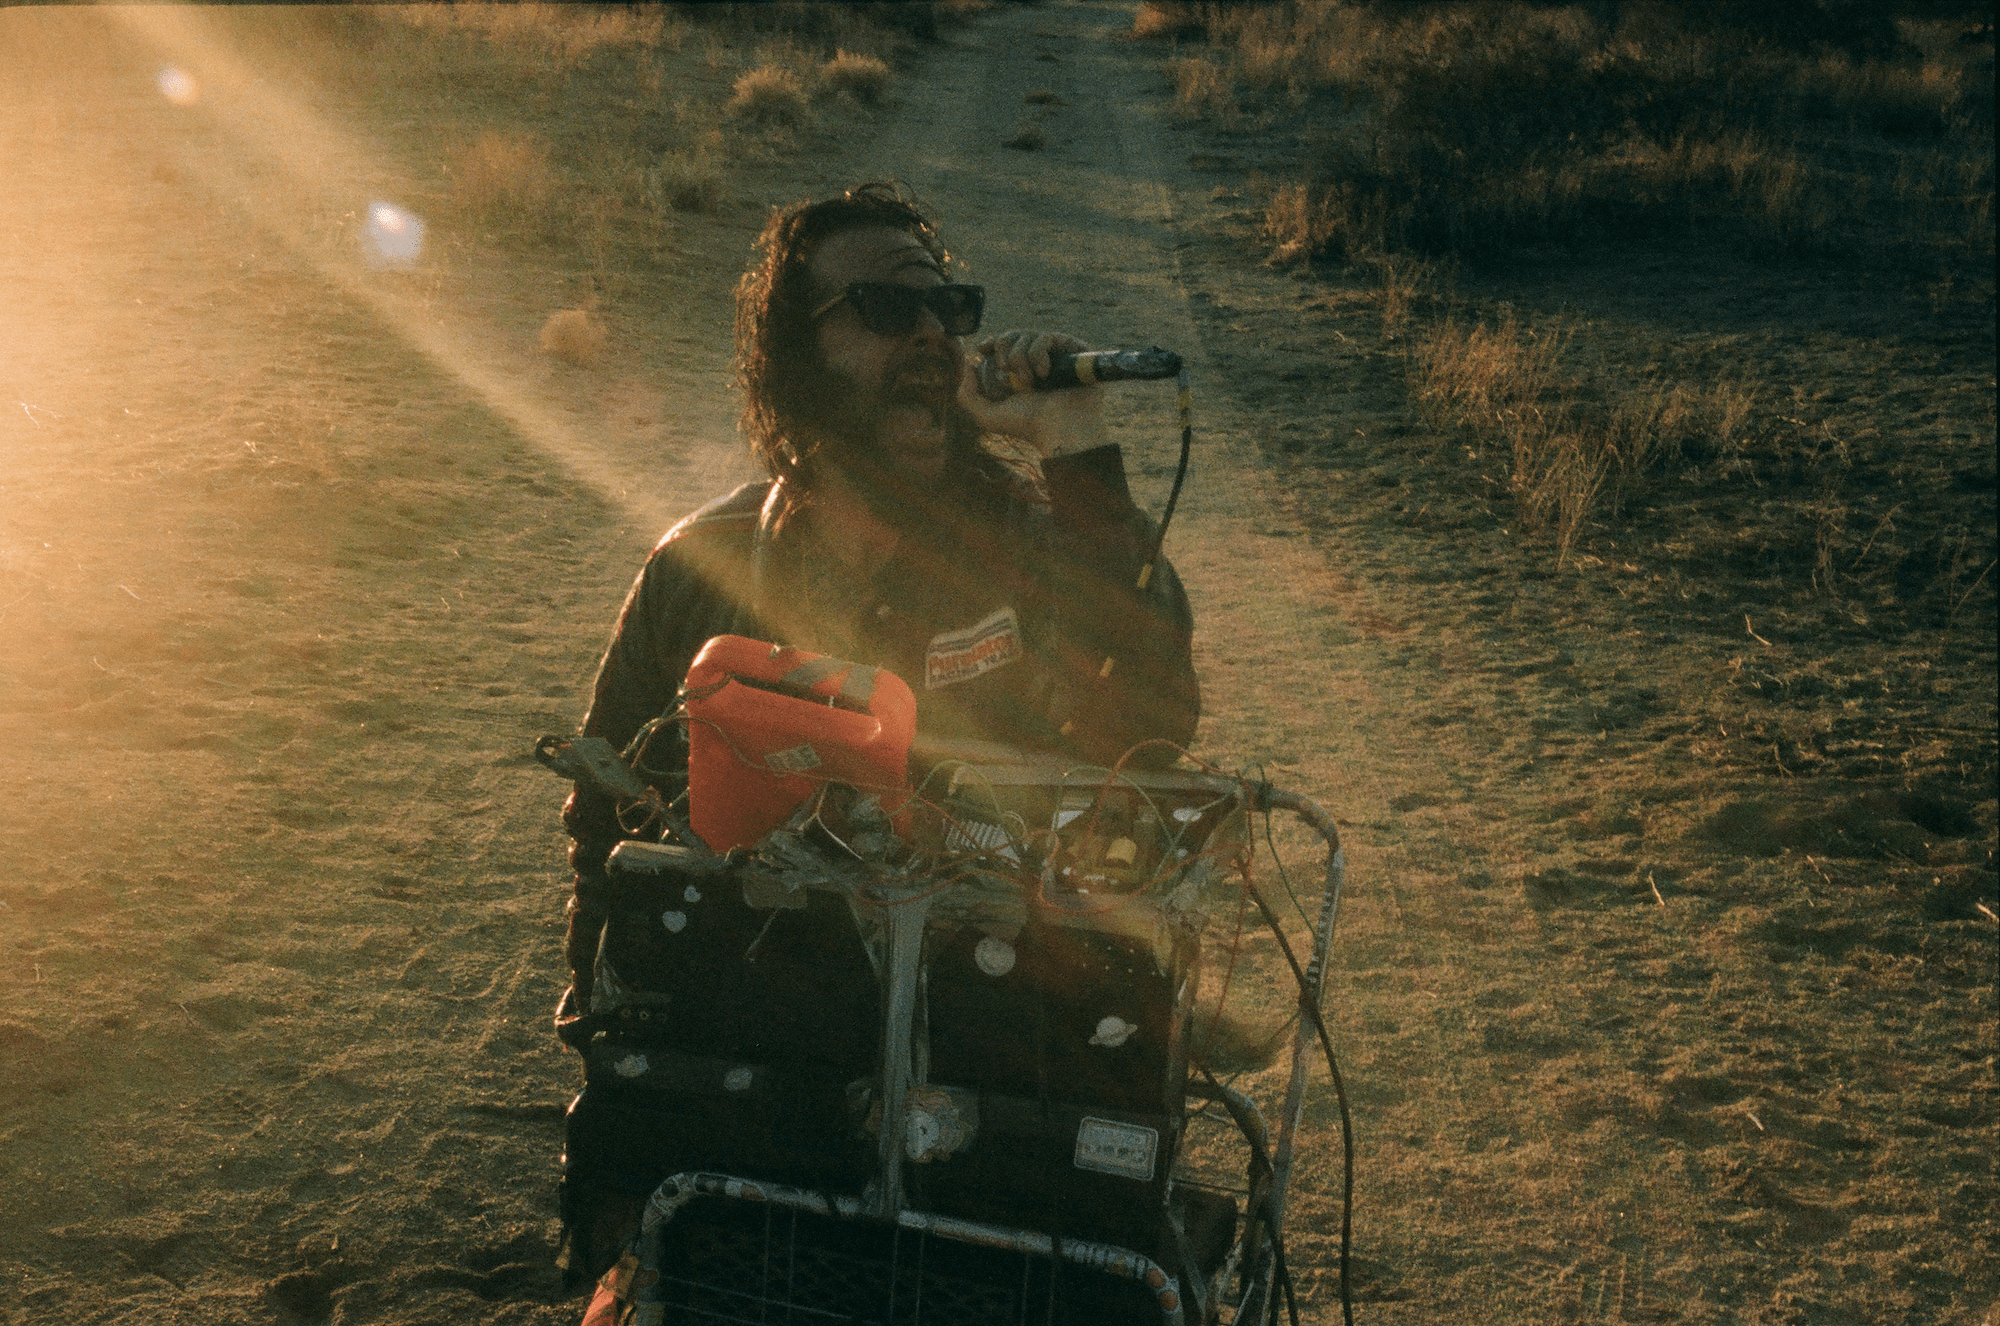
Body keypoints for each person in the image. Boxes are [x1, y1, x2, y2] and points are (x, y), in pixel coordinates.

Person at [556, 182, 1201, 1320]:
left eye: (946, 308)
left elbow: (1153, 714)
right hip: (759, 1041)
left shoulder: (1028, 545)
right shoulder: (698, 568)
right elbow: (604, 836)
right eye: (882, 308)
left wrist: (1072, 446)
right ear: (787, 356)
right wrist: (610, 1098)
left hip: (1002, 1050)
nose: (929, 338)